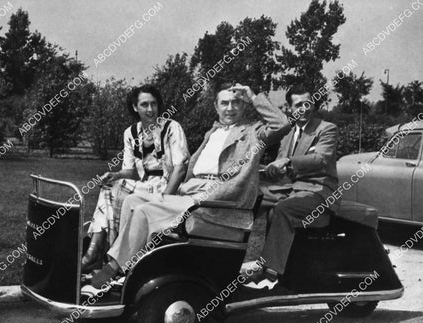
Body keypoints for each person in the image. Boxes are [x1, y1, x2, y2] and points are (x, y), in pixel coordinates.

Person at [83, 82, 292, 294]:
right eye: (224, 103)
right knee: (132, 201)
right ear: (215, 106)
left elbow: (282, 124)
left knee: (145, 211)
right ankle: (129, 268)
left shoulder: (252, 132)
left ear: (245, 105)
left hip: (218, 201)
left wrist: (253, 95)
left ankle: (113, 269)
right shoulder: (213, 132)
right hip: (191, 192)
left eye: (236, 102)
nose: (230, 108)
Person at [81, 85, 190, 272]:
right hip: (144, 186)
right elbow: (130, 171)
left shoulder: (171, 128)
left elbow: (180, 169)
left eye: (154, 104)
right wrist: (115, 175)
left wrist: (165, 199)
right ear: (135, 107)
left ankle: (101, 255)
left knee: (122, 197)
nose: (150, 110)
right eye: (144, 104)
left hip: (168, 188)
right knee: (110, 188)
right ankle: (95, 250)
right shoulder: (130, 133)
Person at [242, 84, 338, 290]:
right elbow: (279, 165)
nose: (303, 109)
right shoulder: (288, 133)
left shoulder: (326, 129)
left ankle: (270, 272)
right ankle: (244, 263)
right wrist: (270, 169)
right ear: (290, 109)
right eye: (298, 105)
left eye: (307, 103)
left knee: (283, 209)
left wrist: (287, 162)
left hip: (318, 192)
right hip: (290, 189)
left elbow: (320, 159)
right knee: (250, 199)